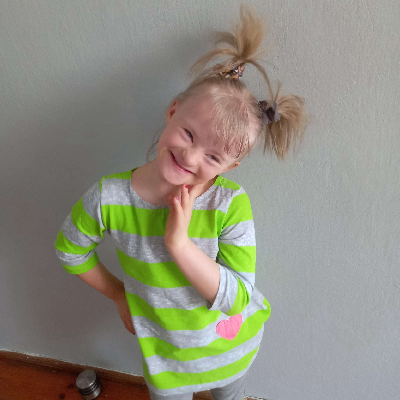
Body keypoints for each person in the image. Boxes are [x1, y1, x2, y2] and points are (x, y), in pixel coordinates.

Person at [54, 5, 307, 400]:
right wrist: (119, 294)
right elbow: (70, 250)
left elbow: (238, 298)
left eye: (213, 156)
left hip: (232, 352)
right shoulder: (109, 198)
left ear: (230, 166)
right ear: (173, 111)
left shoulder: (230, 205)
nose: (190, 157)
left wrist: (180, 245)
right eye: (189, 134)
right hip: (166, 364)